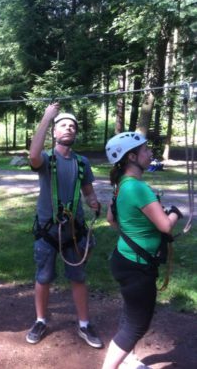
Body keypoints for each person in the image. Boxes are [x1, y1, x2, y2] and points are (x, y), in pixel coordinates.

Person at [102, 132, 183, 369]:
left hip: (124, 260)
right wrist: (176, 212)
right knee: (136, 324)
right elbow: (166, 226)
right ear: (132, 156)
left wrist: (137, 231)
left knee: (131, 315)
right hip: (137, 267)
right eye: (146, 150)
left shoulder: (121, 185)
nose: (150, 154)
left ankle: (126, 360)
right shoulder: (138, 188)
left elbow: (111, 219)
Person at [26, 103, 103, 348]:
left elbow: (88, 192)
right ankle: (40, 320)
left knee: (78, 276)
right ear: (54, 133)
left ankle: (84, 324)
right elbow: (33, 156)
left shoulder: (82, 163)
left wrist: (93, 202)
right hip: (48, 231)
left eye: (72, 126)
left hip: (74, 230)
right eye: (63, 126)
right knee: (44, 277)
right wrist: (47, 117)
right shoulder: (48, 160)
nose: (68, 128)